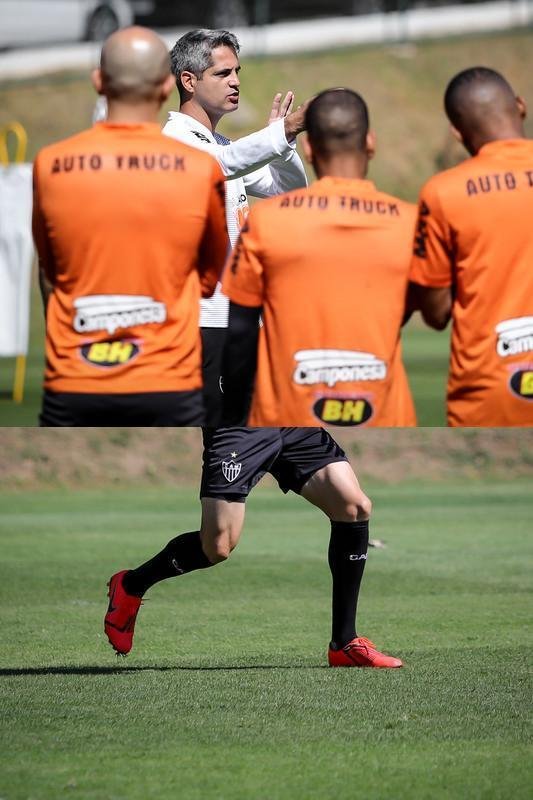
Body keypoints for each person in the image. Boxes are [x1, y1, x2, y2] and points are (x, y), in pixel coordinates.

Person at [32, 27, 228, 426]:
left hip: (75, 380)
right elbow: (210, 277)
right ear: (164, 87)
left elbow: (51, 275)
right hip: (168, 380)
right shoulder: (200, 169)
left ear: (98, 82)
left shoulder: (51, 164)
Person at [104, 426, 403, 669]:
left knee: (353, 506)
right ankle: (131, 585)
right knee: (218, 545)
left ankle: (344, 644)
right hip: (238, 424)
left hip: (288, 416)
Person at [220, 88, 417, 427]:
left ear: (309, 150)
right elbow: (436, 310)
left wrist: (237, 401)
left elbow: (240, 326)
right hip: (384, 410)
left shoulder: (265, 221)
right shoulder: (410, 220)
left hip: (285, 411)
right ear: (370, 142)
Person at [162, 29, 308, 424]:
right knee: (221, 433)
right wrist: (283, 132)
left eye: (237, 72)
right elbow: (219, 166)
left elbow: (288, 192)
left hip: (240, 319)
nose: (236, 81)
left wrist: (284, 145)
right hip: (201, 321)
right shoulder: (175, 140)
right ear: (188, 81)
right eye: (223, 73)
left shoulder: (221, 144)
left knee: (257, 427)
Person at [409, 67, 533, 427]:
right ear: (520, 106)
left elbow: (436, 313)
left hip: (491, 392)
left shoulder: (443, 192)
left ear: (457, 132)